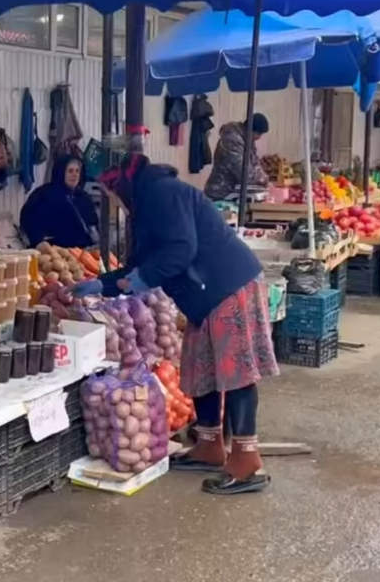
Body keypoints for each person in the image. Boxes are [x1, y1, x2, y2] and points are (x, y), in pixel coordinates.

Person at [72, 153, 278, 495]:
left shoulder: (164, 193)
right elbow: (140, 264)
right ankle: (210, 445)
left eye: (110, 195)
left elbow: (181, 249)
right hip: (202, 296)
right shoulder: (147, 204)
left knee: (237, 371)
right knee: (201, 368)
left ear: (119, 184)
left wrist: (141, 278)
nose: (114, 203)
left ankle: (247, 461)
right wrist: (102, 284)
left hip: (227, 285)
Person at [18, 155, 98, 248]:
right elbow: (32, 226)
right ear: (61, 173)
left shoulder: (83, 197)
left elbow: (92, 225)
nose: (75, 175)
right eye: (70, 171)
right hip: (52, 250)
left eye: (77, 171)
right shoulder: (45, 195)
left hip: (81, 252)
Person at [203, 113, 270, 201]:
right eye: (258, 134)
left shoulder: (247, 140)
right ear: (251, 130)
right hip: (219, 194)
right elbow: (244, 173)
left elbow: (255, 163)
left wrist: (264, 178)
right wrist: (264, 179)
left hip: (232, 194)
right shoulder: (231, 140)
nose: (259, 137)